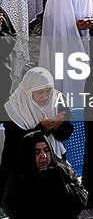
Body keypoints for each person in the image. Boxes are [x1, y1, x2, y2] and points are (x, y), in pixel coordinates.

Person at [0, 68, 72, 198]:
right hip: (23, 170)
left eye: (48, 91)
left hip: (53, 162)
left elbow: (65, 135)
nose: (45, 97)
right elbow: (17, 143)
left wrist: (57, 127)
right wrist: (43, 128)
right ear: (29, 91)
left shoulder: (58, 99)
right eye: (39, 92)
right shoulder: (14, 107)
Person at [2, 129, 87, 219]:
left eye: (46, 151)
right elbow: (13, 210)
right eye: (37, 152)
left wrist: (60, 183)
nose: (43, 156)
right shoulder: (19, 177)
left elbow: (81, 201)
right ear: (28, 155)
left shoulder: (62, 170)